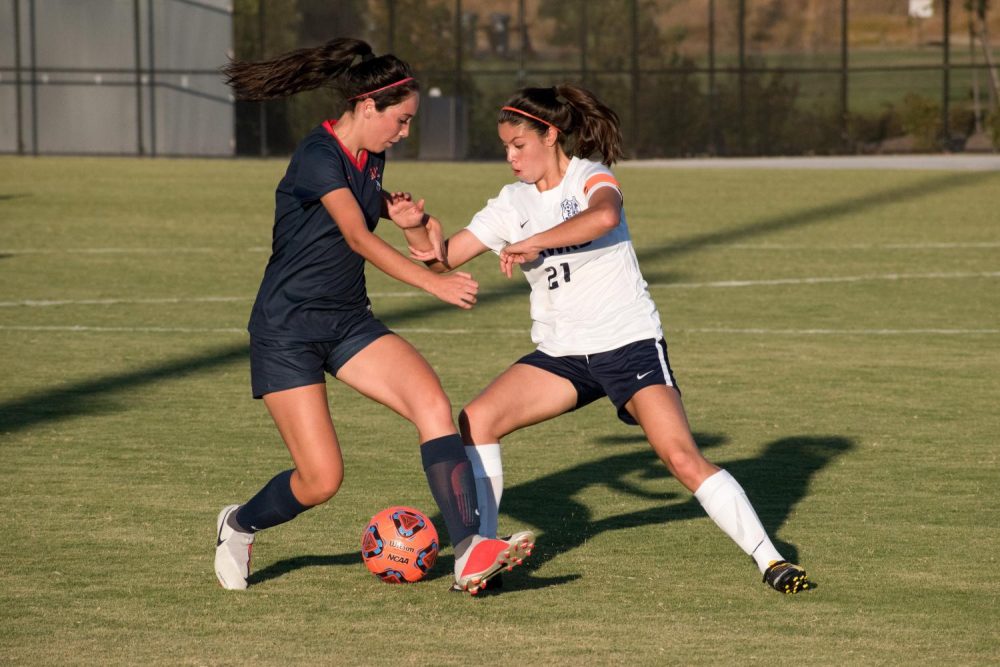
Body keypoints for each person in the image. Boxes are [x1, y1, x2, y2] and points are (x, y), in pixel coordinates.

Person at [407, 84, 812, 594]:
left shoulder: (590, 175)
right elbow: (443, 257)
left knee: (680, 456)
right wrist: (416, 228)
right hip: (563, 354)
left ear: (550, 134)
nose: (510, 157)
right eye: (504, 147)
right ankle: (482, 558)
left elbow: (604, 217)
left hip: (628, 344)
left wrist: (533, 241)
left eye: (518, 144)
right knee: (477, 419)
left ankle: (771, 560)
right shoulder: (512, 202)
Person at [213, 38, 533, 596]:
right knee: (321, 479)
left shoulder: (371, 157)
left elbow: (375, 212)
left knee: (431, 404)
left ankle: (468, 551)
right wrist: (433, 282)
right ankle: (239, 524)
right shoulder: (318, 154)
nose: (405, 133)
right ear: (367, 107)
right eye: (402, 120)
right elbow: (357, 237)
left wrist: (406, 218)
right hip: (288, 331)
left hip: (347, 322)